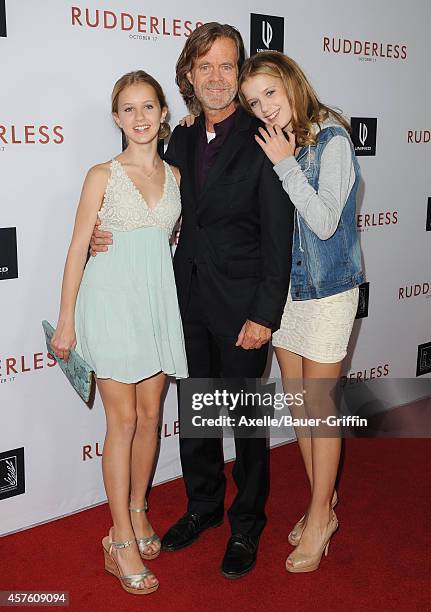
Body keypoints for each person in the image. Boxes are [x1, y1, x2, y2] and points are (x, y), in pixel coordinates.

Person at [91, 23, 294, 579]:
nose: (216, 77)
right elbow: (132, 198)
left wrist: (264, 314)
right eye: (204, 66)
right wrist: (96, 235)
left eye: (227, 66)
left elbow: (280, 237)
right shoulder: (175, 138)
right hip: (183, 305)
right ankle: (202, 506)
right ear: (189, 75)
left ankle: (246, 524)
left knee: (248, 425)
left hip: (243, 309)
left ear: (241, 71)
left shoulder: (264, 139)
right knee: (196, 415)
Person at [51, 70, 188, 595]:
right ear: (116, 118)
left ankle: (137, 508)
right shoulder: (101, 175)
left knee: (152, 415)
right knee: (124, 419)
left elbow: (165, 243)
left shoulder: (176, 176)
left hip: (155, 306)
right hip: (108, 305)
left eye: (148, 106)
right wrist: (66, 320)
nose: (140, 117)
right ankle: (120, 538)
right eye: (128, 109)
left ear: (162, 113)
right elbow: (77, 246)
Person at [239, 51, 364, 572]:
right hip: (287, 293)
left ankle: (318, 518)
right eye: (253, 102)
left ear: (291, 84)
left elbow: (325, 222)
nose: (265, 108)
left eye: (271, 93)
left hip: (329, 292)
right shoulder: (270, 139)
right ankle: (323, 506)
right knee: (300, 410)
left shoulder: (331, 137)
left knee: (320, 408)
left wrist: (286, 165)